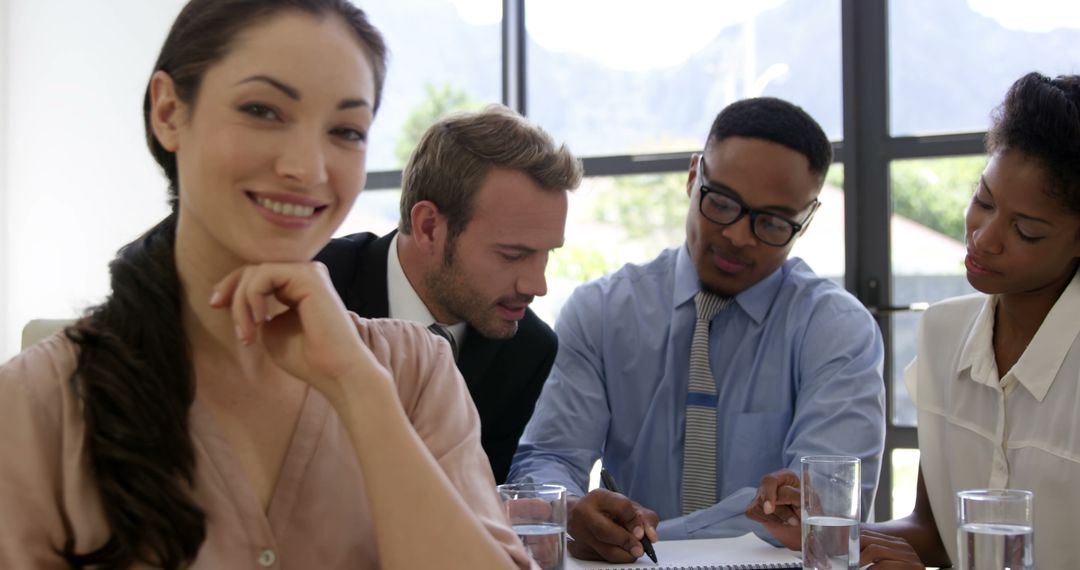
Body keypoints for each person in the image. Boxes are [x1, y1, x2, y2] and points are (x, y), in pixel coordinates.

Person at [0, 1, 533, 568]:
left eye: (346, 130)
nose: (307, 167)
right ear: (169, 111)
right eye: (262, 110)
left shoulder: (415, 373)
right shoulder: (38, 402)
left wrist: (357, 385)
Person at [509, 97, 886, 563]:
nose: (738, 236)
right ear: (693, 177)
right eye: (723, 203)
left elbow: (829, 514)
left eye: (771, 222)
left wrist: (665, 533)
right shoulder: (601, 313)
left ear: (804, 221)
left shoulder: (837, 331)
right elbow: (549, 461)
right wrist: (570, 510)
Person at [747, 72, 1080, 569]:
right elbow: (933, 531)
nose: (984, 238)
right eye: (983, 201)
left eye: (1026, 231)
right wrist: (823, 528)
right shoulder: (944, 334)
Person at [316, 106, 582, 483]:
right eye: (513, 255)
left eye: (547, 254)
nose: (537, 286)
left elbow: (478, 507)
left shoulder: (527, 350)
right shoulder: (312, 289)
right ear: (428, 228)